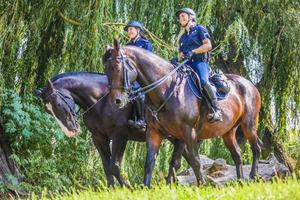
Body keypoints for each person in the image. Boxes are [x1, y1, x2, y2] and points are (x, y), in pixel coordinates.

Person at [174, 8, 222, 123]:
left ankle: (217, 110)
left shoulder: (199, 28)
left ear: (190, 17)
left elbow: (208, 45)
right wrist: (178, 59)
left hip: (199, 62)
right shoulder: (182, 37)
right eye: (180, 17)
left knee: (203, 81)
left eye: (183, 16)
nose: (181, 19)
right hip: (187, 65)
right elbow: (182, 55)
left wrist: (193, 52)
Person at [124, 21, 153, 132]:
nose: (129, 31)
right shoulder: (126, 47)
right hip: (129, 76)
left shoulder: (146, 44)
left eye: (131, 29)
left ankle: (142, 119)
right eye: (128, 30)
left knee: (136, 89)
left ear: (138, 30)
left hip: (143, 76)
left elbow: (148, 63)